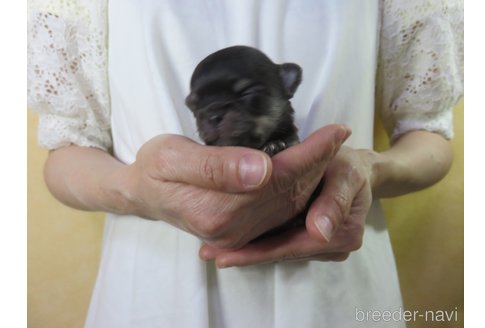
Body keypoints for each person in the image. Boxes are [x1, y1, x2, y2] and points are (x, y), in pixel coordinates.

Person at [27, 0, 463, 327]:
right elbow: (66, 150)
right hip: (157, 293)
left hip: (338, 279)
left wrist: (366, 170)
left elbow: (429, 134)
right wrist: (135, 189)